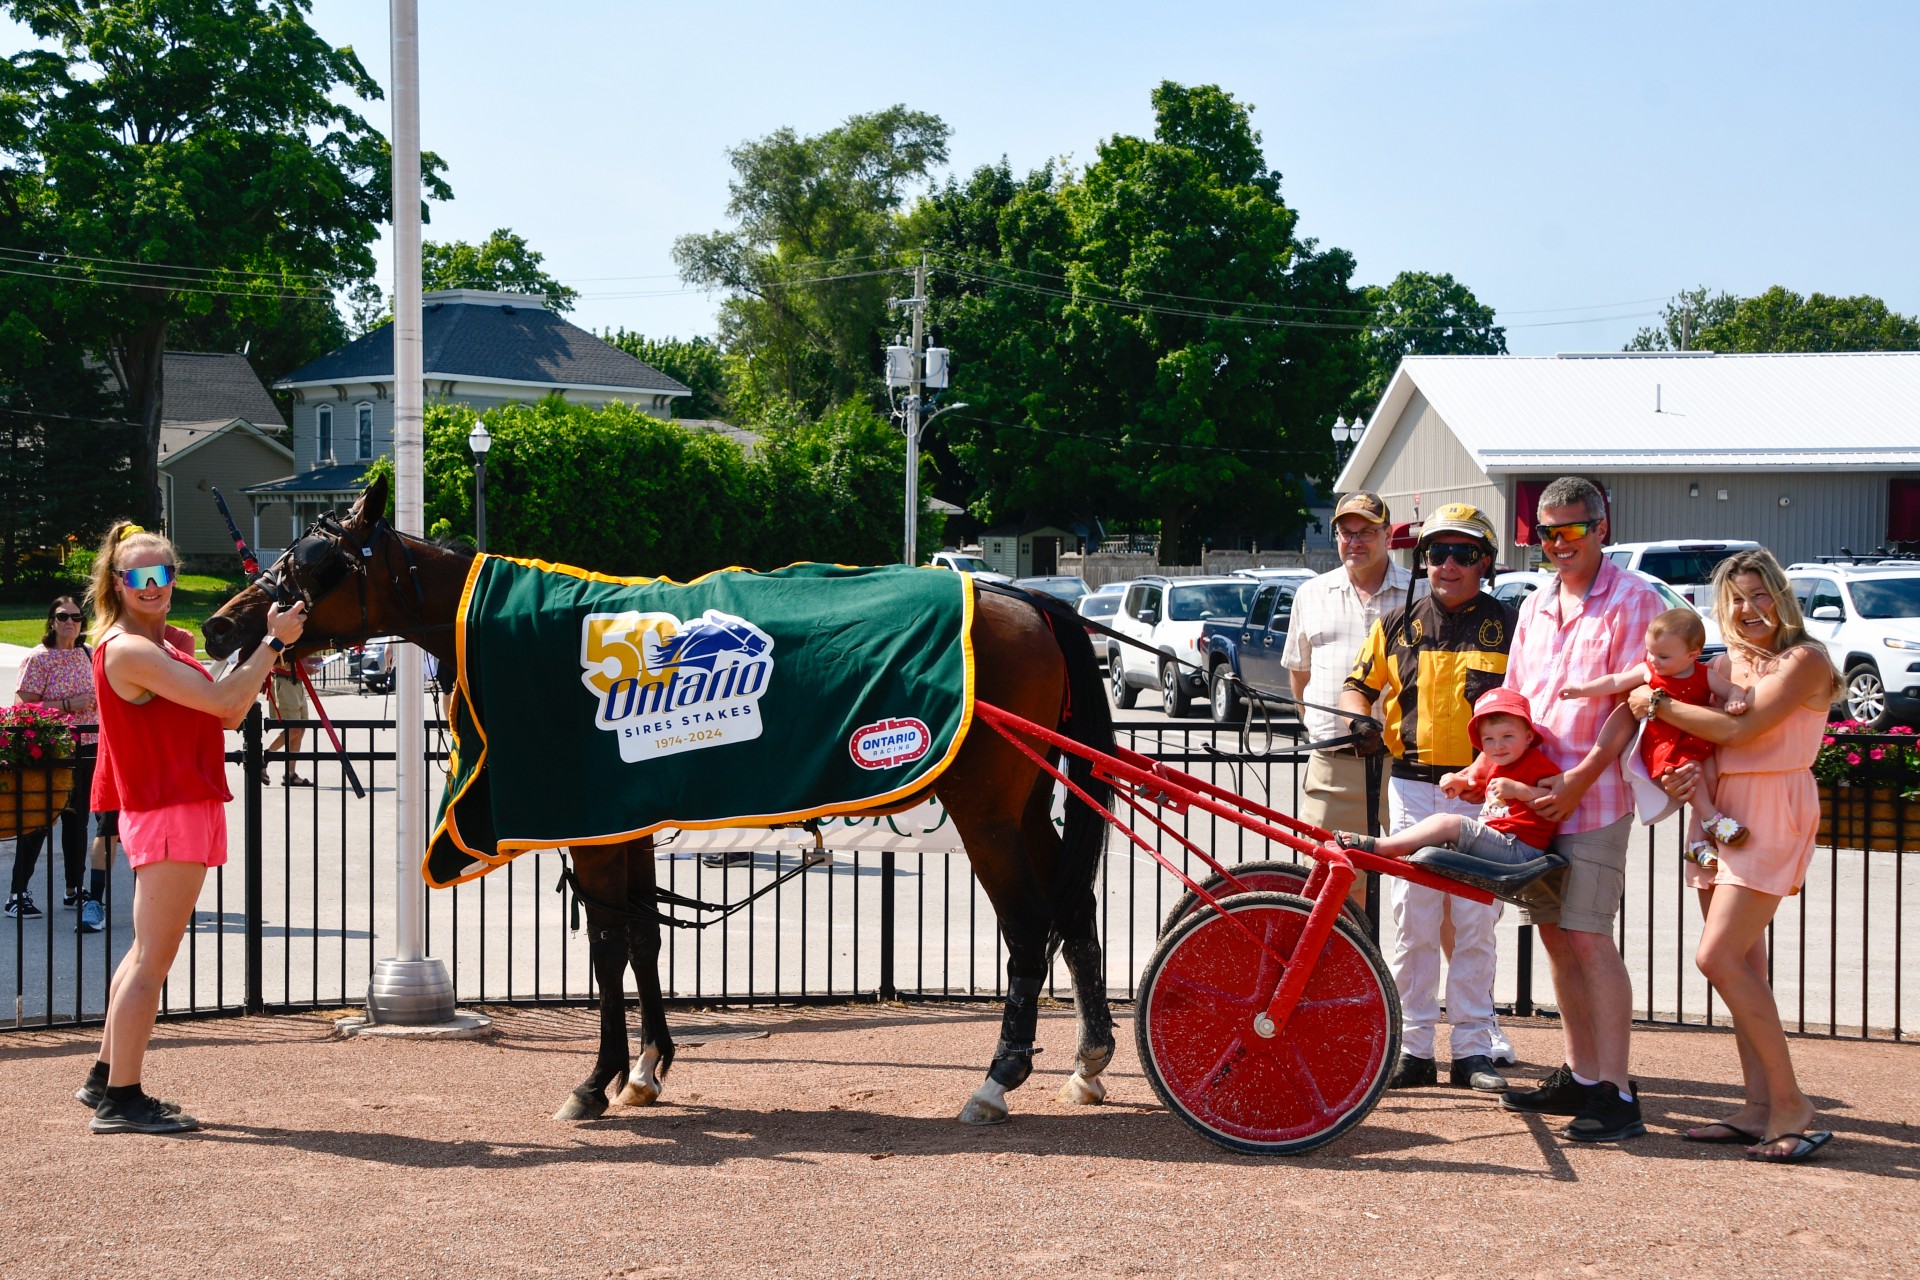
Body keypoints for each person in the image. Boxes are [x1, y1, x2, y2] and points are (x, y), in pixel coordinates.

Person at [80, 520, 305, 1134]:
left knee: (143, 955)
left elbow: (219, 681)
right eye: (140, 577)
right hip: (169, 808)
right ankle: (121, 1098)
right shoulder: (128, 649)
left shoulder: (163, 641)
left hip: (181, 804)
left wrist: (260, 624)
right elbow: (229, 708)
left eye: (163, 574)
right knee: (153, 960)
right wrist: (275, 643)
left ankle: (105, 1075)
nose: (154, 586)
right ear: (118, 583)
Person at [1628, 550, 1841, 1163]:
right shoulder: (1726, 663)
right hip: (1715, 805)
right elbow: (1703, 736)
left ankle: (1792, 1104)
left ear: (1782, 594)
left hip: (1772, 804)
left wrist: (1657, 705)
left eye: (1760, 595)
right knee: (1746, 965)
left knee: (1716, 956)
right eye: (1737, 600)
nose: (1749, 610)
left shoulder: (1805, 659)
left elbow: (1744, 732)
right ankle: (1758, 1107)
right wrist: (1678, 774)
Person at [1497, 475, 1665, 1143]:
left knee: (1591, 940)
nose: (1557, 543)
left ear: (1602, 527)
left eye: (1570, 530)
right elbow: (1515, 700)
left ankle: (1619, 1093)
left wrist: (1579, 777)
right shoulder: (1536, 605)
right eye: (1545, 532)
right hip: (1535, 801)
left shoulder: (1635, 600)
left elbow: (1633, 706)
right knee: (1557, 938)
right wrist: (1496, 774)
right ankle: (1581, 1073)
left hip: (1593, 801)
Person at [1338, 503, 1514, 1093]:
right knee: (1412, 922)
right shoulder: (1395, 625)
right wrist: (1360, 722)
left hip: (1485, 795)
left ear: (1485, 562)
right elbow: (1358, 686)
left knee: (1473, 924)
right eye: (1438, 553)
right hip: (1413, 789)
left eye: (1463, 554)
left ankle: (1472, 1050)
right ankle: (1412, 1049)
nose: (1448, 564)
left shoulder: (1512, 628)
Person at [1281, 490, 1410, 901]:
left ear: (1388, 535)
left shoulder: (1419, 593)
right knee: (1327, 889)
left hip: (1407, 765)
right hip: (1334, 765)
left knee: (1429, 891)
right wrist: (1318, 726)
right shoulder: (1311, 594)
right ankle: (1339, 970)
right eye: (1345, 532)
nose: (1354, 541)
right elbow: (1299, 673)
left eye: (1366, 532)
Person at [1561, 607, 1750, 864]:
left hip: (1699, 739)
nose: (1653, 659)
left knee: (1709, 776)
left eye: (1663, 655)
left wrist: (1736, 700)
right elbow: (1616, 681)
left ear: (1692, 655)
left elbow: (1732, 689)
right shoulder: (1649, 670)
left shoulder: (1704, 674)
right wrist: (1583, 689)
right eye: (1650, 651)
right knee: (1691, 773)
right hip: (1666, 745)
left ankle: (1698, 842)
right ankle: (1712, 820)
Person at [1337, 687, 1561, 867]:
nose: (1498, 746)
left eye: (1508, 736)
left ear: (1528, 736)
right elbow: (1495, 795)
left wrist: (1520, 791)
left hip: (1519, 849)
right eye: (1489, 740)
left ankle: (1384, 846)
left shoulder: (1535, 763)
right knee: (1436, 835)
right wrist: (1463, 782)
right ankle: (1401, 848)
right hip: (1498, 840)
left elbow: (1555, 796)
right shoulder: (1501, 764)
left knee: (1447, 822)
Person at [7, 596, 108, 931]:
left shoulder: (88, 653)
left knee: (77, 823)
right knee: (37, 821)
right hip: (52, 752)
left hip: (89, 749)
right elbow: (25, 708)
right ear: (51, 621)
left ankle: (73, 889)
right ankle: (17, 894)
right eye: (63, 617)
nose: (70, 623)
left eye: (77, 617)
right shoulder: (38, 658)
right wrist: (69, 703)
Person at [263, 653, 314, 786]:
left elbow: (300, 657)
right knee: (294, 728)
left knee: (300, 729)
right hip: (285, 682)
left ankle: (290, 774)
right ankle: (263, 759)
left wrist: (318, 660)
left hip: (295, 682)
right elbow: (279, 662)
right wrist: (305, 668)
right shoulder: (289, 633)